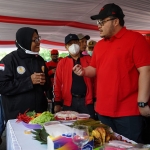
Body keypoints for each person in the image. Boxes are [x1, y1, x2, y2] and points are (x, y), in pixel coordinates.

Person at [73, 3, 150, 143]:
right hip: (103, 112)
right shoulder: (100, 45)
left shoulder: (136, 39)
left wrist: (142, 103)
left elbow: (146, 71)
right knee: (105, 146)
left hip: (128, 113)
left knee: (129, 146)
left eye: (102, 22)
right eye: (98, 22)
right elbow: (94, 69)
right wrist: (83, 71)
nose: (98, 25)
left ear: (116, 21)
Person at [0, 27, 49, 122]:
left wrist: (45, 82)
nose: (39, 42)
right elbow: (2, 86)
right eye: (35, 40)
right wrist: (29, 81)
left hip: (39, 115)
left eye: (39, 38)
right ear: (25, 41)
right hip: (17, 117)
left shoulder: (40, 60)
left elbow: (47, 86)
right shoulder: (9, 60)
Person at [53, 33, 95, 118]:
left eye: (75, 42)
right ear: (66, 47)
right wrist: (57, 102)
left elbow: (96, 81)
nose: (73, 45)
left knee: (89, 127)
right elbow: (57, 83)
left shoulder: (89, 60)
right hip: (69, 102)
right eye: (70, 44)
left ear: (79, 44)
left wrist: (96, 99)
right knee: (70, 127)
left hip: (87, 101)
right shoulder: (62, 63)